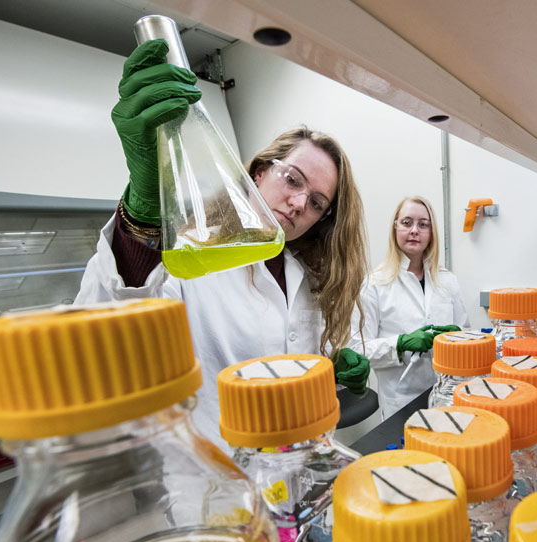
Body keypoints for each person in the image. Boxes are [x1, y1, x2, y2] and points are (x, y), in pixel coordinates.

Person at [76, 39, 370, 451]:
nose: (301, 202)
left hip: (298, 478)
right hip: (216, 486)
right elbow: (102, 343)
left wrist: (327, 367)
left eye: (318, 203)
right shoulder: (196, 256)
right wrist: (141, 222)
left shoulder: (302, 276)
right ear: (261, 171)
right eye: (293, 179)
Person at [350, 196, 470, 419]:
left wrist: (459, 339)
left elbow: (465, 333)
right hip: (401, 401)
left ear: (431, 232)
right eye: (406, 223)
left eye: (423, 224)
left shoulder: (447, 281)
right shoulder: (374, 284)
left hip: (447, 394)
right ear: (395, 228)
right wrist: (400, 344)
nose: (414, 230)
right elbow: (358, 349)